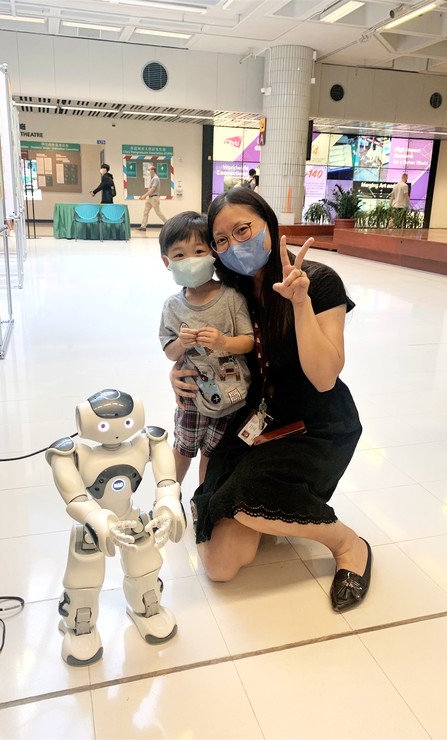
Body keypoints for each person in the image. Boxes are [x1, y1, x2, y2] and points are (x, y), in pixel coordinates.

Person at [170, 188, 371, 613]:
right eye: (221, 240)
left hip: (315, 425)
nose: (234, 245)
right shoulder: (232, 289)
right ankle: (268, 513)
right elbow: (199, 343)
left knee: (250, 500)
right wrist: (179, 372)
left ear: (269, 223)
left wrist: (300, 303)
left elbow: (324, 378)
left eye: (243, 230)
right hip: (254, 418)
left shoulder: (318, 280)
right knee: (221, 564)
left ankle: (348, 544)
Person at [159, 211, 255, 486]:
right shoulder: (173, 306)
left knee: (212, 455)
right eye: (179, 255)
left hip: (230, 395)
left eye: (199, 251)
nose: (190, 260)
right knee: (182, 448)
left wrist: (223, 342)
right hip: (191, 394)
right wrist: (181, 343)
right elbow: (169, 352)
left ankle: (203, 500)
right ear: (167, 262)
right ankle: (168, 498)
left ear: (213, 253)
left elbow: (248, 341)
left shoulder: (231, 298)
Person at [138, 165, 167, 232]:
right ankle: (143, 226)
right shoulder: (152, 178)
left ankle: (168, 223)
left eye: (149, 170)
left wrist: (144, 196)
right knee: (145, 212)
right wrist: (146, 196)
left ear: (153, 170)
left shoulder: (156, 178)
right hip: (150, 198)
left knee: (158, 212)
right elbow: (150, 190)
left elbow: (152, 189)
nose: (148, 171)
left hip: (154, 198)